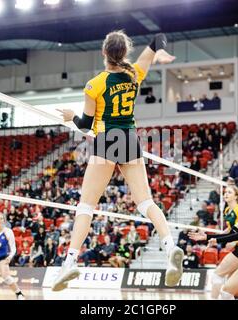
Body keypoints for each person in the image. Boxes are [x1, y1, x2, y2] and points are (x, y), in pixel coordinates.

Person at [53, 31, 183, 291]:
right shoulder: (134, 73)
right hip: (129, 140)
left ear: (104, 53)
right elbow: (158, 38)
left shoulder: (95, 84)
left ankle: (69, 262)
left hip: (106, 140)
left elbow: (86, 125)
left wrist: (70, 117)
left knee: (86, 206)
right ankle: (170, 246)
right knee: (145, 201)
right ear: (124, 53)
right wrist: (160, 51)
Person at [190, 186, 238, 299]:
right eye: (225, 192)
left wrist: (234, 242)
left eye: (229, 192)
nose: (225, 194)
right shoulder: (227, 210)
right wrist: (213, 239)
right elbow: (229, 229)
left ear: (236, 196)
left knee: (217, 275)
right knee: (231, 286)